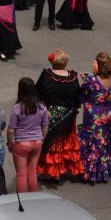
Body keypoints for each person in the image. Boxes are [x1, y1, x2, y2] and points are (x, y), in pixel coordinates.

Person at [35, 50, 83, 182]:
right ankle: (61, 168)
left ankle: (51, 170)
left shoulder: (46, 76)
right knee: (64, 141)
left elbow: (37, 92)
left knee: (51, 142)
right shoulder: (72, 78)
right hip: (68, 115)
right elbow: (77, 97)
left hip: (50, 114)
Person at [77, 53, 111, 183]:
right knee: (106, 138)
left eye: (95, 62)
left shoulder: (91, 81)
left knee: (94, 140)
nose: (93, 63)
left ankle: (92, 172)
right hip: (108, 114)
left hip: (93, 117)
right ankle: (106, 166)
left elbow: (82, 95)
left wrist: (85, 80)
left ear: (100, 66)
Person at [7, 77, 48, 193]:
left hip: (21, 144)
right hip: (37, 142)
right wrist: (42, 140)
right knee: (32, 172)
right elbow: (45, 126)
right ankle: (33, 198)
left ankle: (22, 201)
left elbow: (10, 130)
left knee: (21, 174)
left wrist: (10, 144)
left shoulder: (16, 108)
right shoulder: (41, 106)